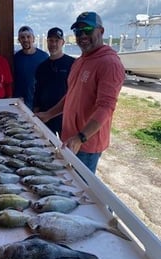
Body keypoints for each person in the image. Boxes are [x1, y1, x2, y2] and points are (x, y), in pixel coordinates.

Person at [35, 12, 125, 174]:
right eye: (77, 31)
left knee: (80, 192)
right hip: (69, 139)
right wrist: (49, 114)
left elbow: (106, 107)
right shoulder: (80, 61)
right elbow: (71, 95)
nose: (82, 35)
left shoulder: (109, 63)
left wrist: (80, 137)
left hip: (86, 144)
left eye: (87, 29)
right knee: (66, 182)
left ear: (101, 31)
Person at [33, 27, 75, 135]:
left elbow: (77, 91)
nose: (53, 44)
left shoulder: (72, 64)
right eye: (51, 40)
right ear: (47, 42)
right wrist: (36, 111)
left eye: (57, 40)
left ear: (63, 42)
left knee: (66, 148)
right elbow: (37, 92)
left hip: (65, 113)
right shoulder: (42, 67)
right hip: (44, 114)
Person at [13, 26, 49, 110]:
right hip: (19, 102)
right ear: (19, 40)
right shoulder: (16, 58)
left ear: (33, 39)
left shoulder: (44, 57)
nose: (25, 40)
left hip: (38, 104)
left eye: (28, 37)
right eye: (22, 37)